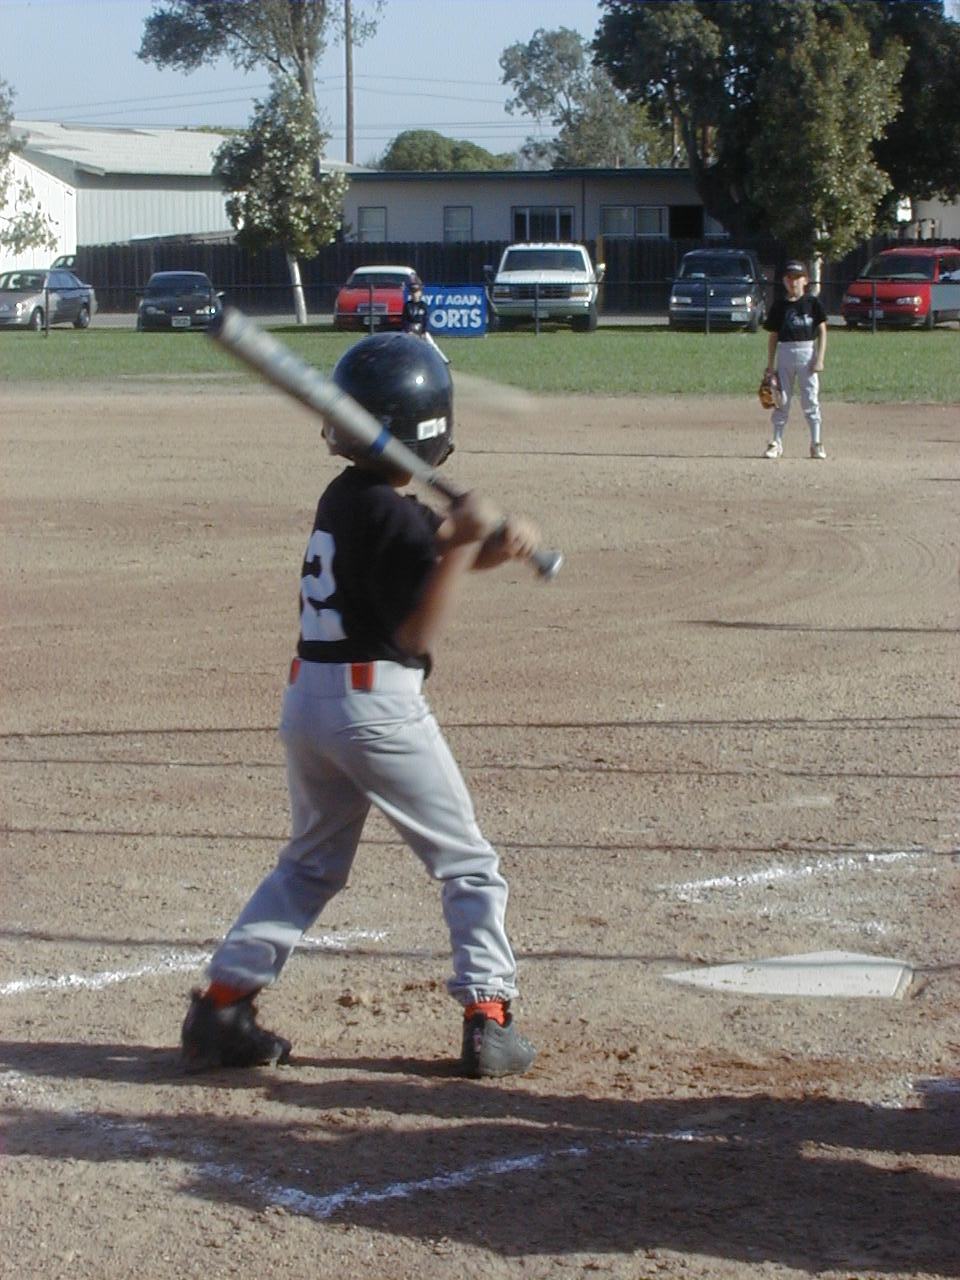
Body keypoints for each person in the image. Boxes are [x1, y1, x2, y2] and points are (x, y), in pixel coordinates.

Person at [180, 332, 539, 1080]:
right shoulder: (395, 518)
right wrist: (460, 547)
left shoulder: (349, 500)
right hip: (377, 709)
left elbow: (423, 550)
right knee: (469, 864)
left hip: (310, 701)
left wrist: (484, 546)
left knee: (310, 865)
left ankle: (223, 1004)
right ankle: (490, 1015)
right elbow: (416, 630)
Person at [762, 259, 828, 460]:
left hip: (807, 352)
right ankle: (776, 442)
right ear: (784, 281)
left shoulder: (812, 303)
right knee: (781, 400)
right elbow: (773, 336)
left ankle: (816, 442)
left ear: (805, 280)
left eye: (797, 278)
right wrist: (770, 365)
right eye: (789, 278)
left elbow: (822, 331)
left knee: (810, 399)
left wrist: (820, 358)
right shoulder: (780, 306)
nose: (793, 282)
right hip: (785, 352)